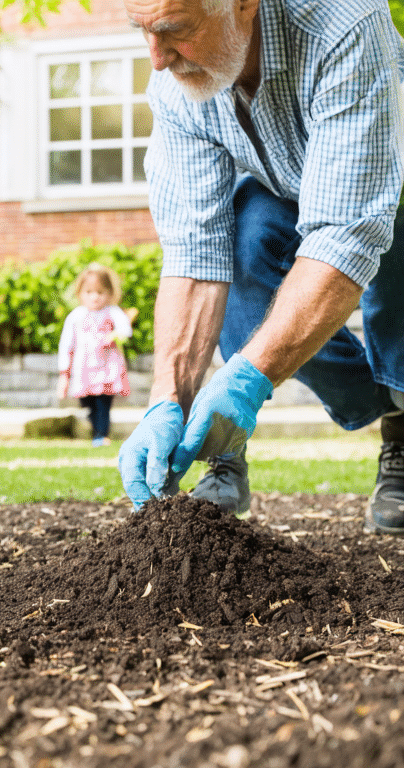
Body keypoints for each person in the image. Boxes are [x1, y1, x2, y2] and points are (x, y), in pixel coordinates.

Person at [117, 0, 404, 527]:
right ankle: (380, 401)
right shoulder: (174, 89)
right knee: (245, 238)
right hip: (289, 189)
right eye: (142, 32)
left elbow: (346, 231)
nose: (156, 59)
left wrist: (246, 378)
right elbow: (196, 251)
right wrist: (169, 399)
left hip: (391, 177)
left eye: (175, 31)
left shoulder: (343, 25)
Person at [57, 264, 133, 448]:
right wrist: (64, 372)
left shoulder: (112, 312)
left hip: (106, 368)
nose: (95, 296)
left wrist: (114, 336)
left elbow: (125, 330)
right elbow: (67, 344)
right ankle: (97, 429)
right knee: (88, 402)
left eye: (100, 292)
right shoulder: (76, 316)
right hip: (84, 369)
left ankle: (101, 434)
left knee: (103, 401)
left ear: (109, 293)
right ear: (80, 293)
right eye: (89, 291)